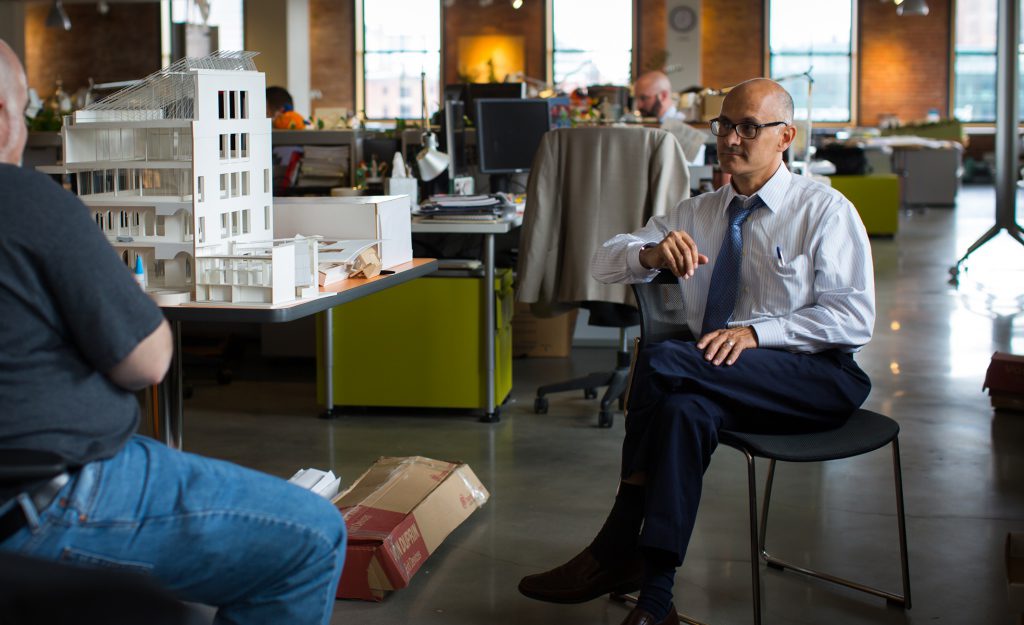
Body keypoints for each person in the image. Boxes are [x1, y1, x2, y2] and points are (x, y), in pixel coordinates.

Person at [0, 40, 347, 625]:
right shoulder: (28, 201)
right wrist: (131, 301)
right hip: (44, 498)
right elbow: (148, 362)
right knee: (312, 537)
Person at [518, 78, 875, 625]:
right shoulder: (698, 213)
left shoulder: (823, 210)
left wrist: (758, 334)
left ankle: (615, 542)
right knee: (683, 411)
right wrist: (650, 254)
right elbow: (603, 261)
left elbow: (854, 319)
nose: (731, 139)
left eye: (749, 127)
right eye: (725, 125)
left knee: (662, 360)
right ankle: (655, 598)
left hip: (815, 377)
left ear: (785, 137)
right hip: (721, 376)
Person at [634, 70, 706, 164]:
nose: (638, 105)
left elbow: (691, 170)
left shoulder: (685, 129)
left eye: (643, 98)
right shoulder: (649, 125)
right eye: (637, 99)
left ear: (663, 95)